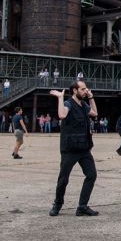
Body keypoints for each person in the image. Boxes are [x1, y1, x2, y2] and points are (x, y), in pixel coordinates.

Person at [49, 81, 100, 217]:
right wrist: (60, 98)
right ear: (74, 90)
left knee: (91, 175)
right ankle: (57, 204)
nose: (85, 90)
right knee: (63, 179)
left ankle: (82, 206)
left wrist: (91, 97)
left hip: (84, 148)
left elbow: (94, 113)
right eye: (83, 89)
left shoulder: (83, 105)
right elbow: (62, 115)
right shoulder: (68, 104)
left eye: (86, 89)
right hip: (70, 149)